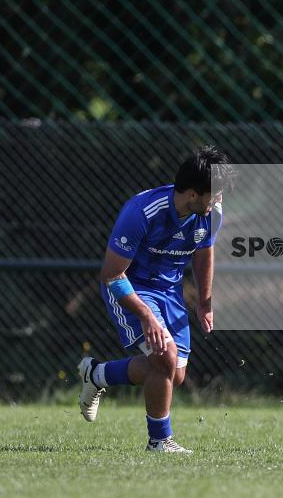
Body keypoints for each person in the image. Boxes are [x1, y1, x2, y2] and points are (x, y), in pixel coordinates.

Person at [77, 146, 235, 452]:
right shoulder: (141, 212)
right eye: (214, 194)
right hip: (131, 287)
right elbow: (111, 275)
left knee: (173, 374)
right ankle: (160, 440)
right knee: (164, 357)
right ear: (192, 195)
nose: (218, 201)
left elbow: (204, 252)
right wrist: (146, 315)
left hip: (169, 292)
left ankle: (97, 374)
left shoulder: (210, 214)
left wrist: (204, 299)